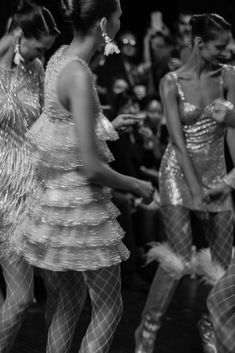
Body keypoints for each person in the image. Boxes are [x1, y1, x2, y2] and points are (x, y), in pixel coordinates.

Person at [12, 0, 154, 352]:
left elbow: (63, 128)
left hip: (55, 205)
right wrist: (136, 184)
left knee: (69, 306)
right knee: (109, 306)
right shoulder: (79, 74)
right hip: (83, 208)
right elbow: (91, 167)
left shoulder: (59, 58)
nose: (122, 21)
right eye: (120, 14)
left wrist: (109, 124)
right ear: (105, 23)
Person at [134, 13, 235, 353]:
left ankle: (209, 325)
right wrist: (194, 190)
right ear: (198, 42)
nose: (227, 50)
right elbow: (176, 141)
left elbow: (234, 134)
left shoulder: (230, 78)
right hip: (178, 172)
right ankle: (147, 331)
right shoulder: (170, 82)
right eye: (220, 46)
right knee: (178, 257)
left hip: (217, 172)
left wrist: (228, 182)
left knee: (221, 267)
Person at [0, 1, 60, 352]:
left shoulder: (35, 67)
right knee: (21, 298)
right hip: (4, 196)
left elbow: (46, 121)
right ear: (21, 35)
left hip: (38, 189)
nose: (43, 53)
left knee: (60, 287)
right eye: (40, 45)